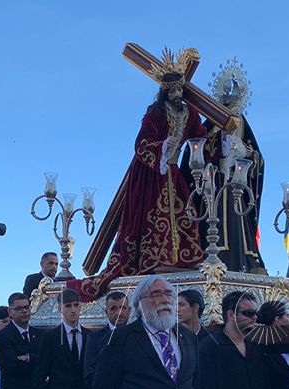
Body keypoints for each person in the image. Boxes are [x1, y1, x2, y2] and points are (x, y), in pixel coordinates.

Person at [74, 49, 207, 301]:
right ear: (165, 92)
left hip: (173, 171)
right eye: (173, 91)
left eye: (180, 90)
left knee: (183, 212)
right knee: (152, 214)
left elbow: (199, 134)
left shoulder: (189, 113)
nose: (178, 94)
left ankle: (183, 258)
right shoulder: (155, 113)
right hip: (150, 172)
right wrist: (163, 146)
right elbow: (141, 143)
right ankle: (156, 257)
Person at [181, 58, 266, 274]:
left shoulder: (244, 128)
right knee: (214, 214)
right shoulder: (211, 126)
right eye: (231, 117)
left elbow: (258, 159)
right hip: (215, 183)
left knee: (236, 217)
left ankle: (243, 260)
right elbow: (196, 149)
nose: (234, 122)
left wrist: (246, 154)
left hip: (236, 184)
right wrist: (218, 147)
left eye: (238, 117)